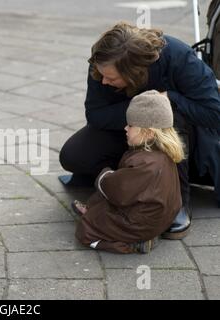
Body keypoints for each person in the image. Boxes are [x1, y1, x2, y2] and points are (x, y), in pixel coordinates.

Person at [59, 22, 220, 240]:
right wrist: (141, 107)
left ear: (133, 71)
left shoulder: (179, 56)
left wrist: (168, 99)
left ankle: (177, 200)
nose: (104, 81)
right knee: (73, 157)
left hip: (180, 139)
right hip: (126, 128)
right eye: (102, 75)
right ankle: (127, 179)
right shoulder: (102, 63)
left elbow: (213, 113)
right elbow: (95, 115)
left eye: (112, 78)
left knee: (165, 112)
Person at [74, 90, 184, 254]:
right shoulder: (162, 154)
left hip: (138, 224)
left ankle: (129, 244)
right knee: (101, 203)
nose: (125, 128)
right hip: (158, 218)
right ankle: (94, 211)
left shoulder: (144, 164)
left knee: (85, 229)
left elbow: (117, 190)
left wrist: (104, 175)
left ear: (148, 132)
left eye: (131, 125)